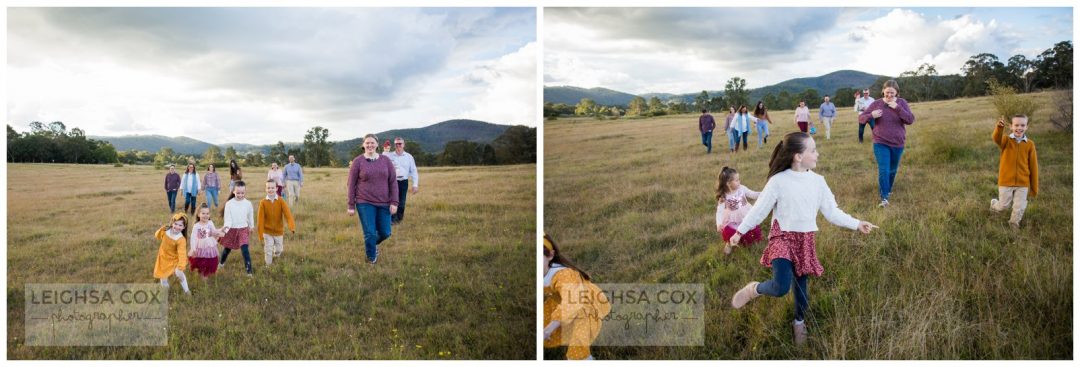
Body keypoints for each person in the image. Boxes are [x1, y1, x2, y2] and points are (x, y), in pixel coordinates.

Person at [729, 132, 877, 346]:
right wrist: (739, 231)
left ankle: (799, 321)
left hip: (804, 240)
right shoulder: (777, 181)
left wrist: (857, 223)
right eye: (813, 150)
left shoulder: (818, 182)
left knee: (801, 290)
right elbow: (759, 211)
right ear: (798, 156)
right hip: (782, 237)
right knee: (780, 287)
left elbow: (832, 212)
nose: (817, 154)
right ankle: (755, 289)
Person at [543, 233, 610, 360]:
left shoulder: (563, 275)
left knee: (577, 352)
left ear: (550, 256)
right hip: (562, 303)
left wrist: (548, 330)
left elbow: (572, 302)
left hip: (584, 307)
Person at [858, 80, 916, 208]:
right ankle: (884, 198)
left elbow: (910, 120)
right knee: (884, 169)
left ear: (897, 93)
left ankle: (888, 189)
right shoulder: (876, 103)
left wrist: (897, 108)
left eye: (892, 93)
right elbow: (861, 118)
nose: (889, 95)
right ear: (883, 91)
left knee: (892, 170)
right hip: (880, 142)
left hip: (898, 143)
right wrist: (871, 115)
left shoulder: (901, 103)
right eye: (887, 92)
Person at [347, 134, 399, 265]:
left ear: (377, 144)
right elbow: (351, 184)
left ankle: (371, 243)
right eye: (367, 143)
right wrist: (351, 205)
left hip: (384, 202)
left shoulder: (385, 160)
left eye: (372, 143)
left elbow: (393, 182)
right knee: (370, 232)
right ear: (363, 145)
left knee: (386, 232)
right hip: (364, 202)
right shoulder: (358, 161)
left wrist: (394, 202)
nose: (370, 145)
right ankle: (371, 258)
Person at [990, 115, 1039, 229]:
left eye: (1022, 125)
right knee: (1003, 206)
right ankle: (994, 205)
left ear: (1027, 127)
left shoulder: (1030, 144)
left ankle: (1014, 223)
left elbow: (1033, 166)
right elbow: (996, 138)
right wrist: (999, 128)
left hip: (1023, 183)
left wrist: (1034, 187)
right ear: (1011, 126)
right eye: (1016, 125)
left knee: (1019, 206)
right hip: (1006, 181)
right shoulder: (1006, 140)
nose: (1019, 128)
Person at [715, 166, 762, 256]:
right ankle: (729, 243)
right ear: (728, 183)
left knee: (749, 227)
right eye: (736, 180)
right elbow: (719, 211)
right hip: (733, 219)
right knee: (732, 232)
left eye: (739, 179)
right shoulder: (724, 196)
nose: (739, 182)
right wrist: (719, 223)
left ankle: (748, 241)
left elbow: (752, 194)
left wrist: (763, 194)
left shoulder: (742, 188)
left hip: (745, 214)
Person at [258, 180, 296, 266]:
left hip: (279, 231)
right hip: (267, 232)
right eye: (268, 188)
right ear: (265, 189)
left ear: (276, 188)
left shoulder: (281, 201)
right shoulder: (263, 203)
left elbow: (288, 214)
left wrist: (292, 226)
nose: (270, 189)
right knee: (268, 249)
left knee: (279, 249)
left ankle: (276, 254)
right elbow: (260, 219)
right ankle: (268, 265)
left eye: (272, 188)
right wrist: (260, 234)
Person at [220, 180, 255, 276]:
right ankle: (221, 263)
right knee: (227, 249)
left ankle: (249, 272)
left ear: (245, 192)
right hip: (231, 230)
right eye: (238, 193)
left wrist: (251, 226)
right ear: (233, 191)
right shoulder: (229, 204)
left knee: (245, 250)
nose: (240, 195)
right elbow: (227, 219)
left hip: (243, 229)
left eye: (242, 193)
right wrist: (225, 230)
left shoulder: (248, 204)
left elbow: (250, 216)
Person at [384, 137, 420, 225]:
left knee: (402, 201)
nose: (398, 145)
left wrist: (415, 184)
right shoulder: (389, 155)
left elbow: (414, 170)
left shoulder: (409, 157)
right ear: (394, 145)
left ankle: (399, 219)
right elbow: (382, 159)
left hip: (403, 181)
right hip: (392, 181)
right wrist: (385, 150)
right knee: (392, 200)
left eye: (400, 143)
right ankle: (392, 219)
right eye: (396, 143)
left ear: (404, 145)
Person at [154, 212, 191, 295]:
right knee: (163, 277)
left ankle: (186, 290)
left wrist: (180, 266)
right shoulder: (166, 230)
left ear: (184, 227)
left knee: (179, 273)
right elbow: (157, 236)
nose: (177, 227)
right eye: (175, 224)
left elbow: (182, 254)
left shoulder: (181, 239)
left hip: (174, 258)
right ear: (172, 223)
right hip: (163, 257)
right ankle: (165, 291)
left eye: (180, 225)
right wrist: (161, 229)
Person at [188, 204, 222, 280]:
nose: (205, 215)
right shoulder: (197, 225)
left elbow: (214, 231)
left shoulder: (210, 222)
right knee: (202, 260)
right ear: (198, 214)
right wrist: (193, 248)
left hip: (209, 245)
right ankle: (203, 273)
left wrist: (220, 230)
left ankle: (207, 271)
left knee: (210, 259)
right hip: (200, 245)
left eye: (207, 213)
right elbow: (193, 237)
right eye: (203, 213)